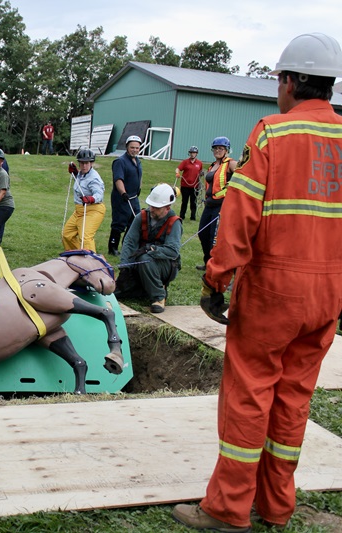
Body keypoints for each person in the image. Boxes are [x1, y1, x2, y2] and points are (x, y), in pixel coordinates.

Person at [173, 33, 342, 533]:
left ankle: (227, 510)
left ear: (289, 82)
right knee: (293, 400)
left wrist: (215, 280)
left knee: (250, 395)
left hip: (273, 292)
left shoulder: (273, 133)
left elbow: (240, 215)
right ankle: (276, 506)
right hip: (327, 295)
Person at [114, 183, 181, 313]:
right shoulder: (142, 217)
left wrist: (152, 250)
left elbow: (173, 251)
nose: (152, 209)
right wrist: (125, 267)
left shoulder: (174, 223)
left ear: (167, 208)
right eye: (151, 205)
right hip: (141, 261)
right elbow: (129, 242)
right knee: (120, 291)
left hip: (166, 265)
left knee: (145, 258)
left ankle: (159, 297)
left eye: (156, 207)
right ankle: (143, 288)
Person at [196, 136, 236, 271]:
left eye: (221, 148)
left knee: (215, 237)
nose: (217, 150)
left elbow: (244, 177)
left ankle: (216, 265)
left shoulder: (231, 163)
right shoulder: (213, 166)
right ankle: (208, 261)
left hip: (222, 205)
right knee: (203, 233)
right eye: (215, 148)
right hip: (209, 205)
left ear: (226, 150)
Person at [62, 149, 105, 252]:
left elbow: (99, 194)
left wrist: (91, 198)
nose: (84, 165)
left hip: (93, 210)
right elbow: (82, 184)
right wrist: (75, 174)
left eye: (87, 163)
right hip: (79, 210)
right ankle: (77, 256)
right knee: (67, 235)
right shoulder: (81, 174)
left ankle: (92, 263)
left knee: (85, 237)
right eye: (82, 163)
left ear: (92, 163)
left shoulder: (94, 178)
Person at [108, 135, 143, 255]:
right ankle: (112, 247)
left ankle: (127, 246)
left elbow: (139, 176)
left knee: (135, 222)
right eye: (132, 147)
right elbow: (118, 179)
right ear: (127, 147)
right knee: (119, 223)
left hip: (134, 198)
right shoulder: (120, 161)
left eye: (137, 148)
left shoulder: (137, 161)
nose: (135, 150)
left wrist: (139, 188)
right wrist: (123, 192)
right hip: (122, 198)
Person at [175, 146, 202, 221]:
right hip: (185, 186)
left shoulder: (199, 163)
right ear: (189, 153)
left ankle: (193, 217)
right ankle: (182, 216)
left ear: (196, 154)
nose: (192, 154)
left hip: (195, 186)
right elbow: (178, 168)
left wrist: (202, 175)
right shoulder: (185, 162)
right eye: (191, 153)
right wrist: (177, 173)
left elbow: (200, 172)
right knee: (184, 201)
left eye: (194, 153)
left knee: (193, 202)